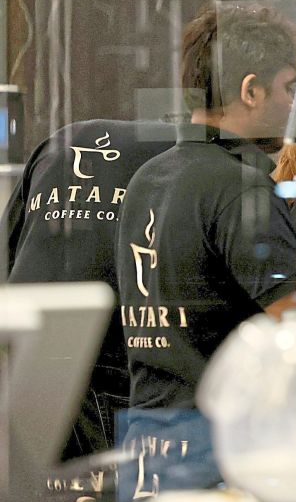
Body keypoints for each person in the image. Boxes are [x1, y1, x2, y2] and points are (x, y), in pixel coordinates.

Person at [114, 2, 296, 493]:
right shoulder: (242, 190)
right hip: (217, 467)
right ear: (251, 90)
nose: (293, 104)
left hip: (143, 456)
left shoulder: (145, 179)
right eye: (288, 86)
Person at [4, 119, 177, 457]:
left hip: (25, 352)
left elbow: (7, 253)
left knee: (40, 493)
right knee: (105, 495)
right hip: (110, 356)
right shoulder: (186, 160)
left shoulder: (61, 140)